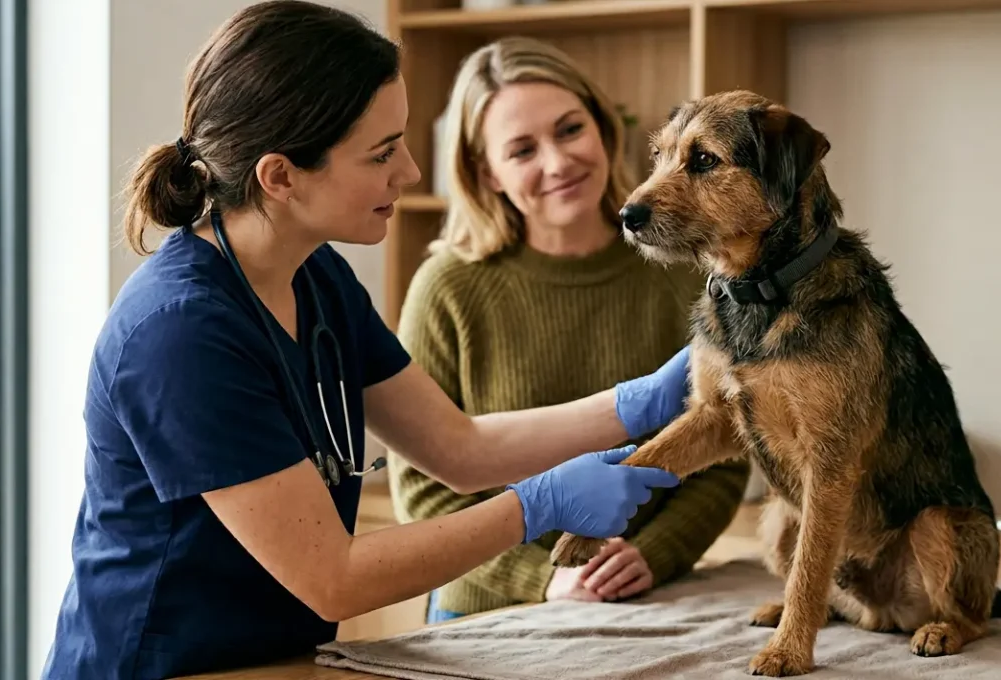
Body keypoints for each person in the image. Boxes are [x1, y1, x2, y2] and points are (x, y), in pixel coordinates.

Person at [40, 3, 692, 679]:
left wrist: (639, 403)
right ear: (281, 176)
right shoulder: (179, 334)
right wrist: (537, 506)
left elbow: (459, 450)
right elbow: (334, 577)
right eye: (382, 153)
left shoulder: (316, 275)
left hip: (279, 660)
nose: (409, 172)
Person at [388, 36, 751, 624]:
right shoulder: (445, 288)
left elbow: (728, 451)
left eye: (569, 130)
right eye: (522, 149)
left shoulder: (691, 276)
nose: (557, 163)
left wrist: (654, 555)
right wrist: (543, 580)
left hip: (646, 603)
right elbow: (423, 495)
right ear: (488, 174)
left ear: (604, 129)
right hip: (488, 617)